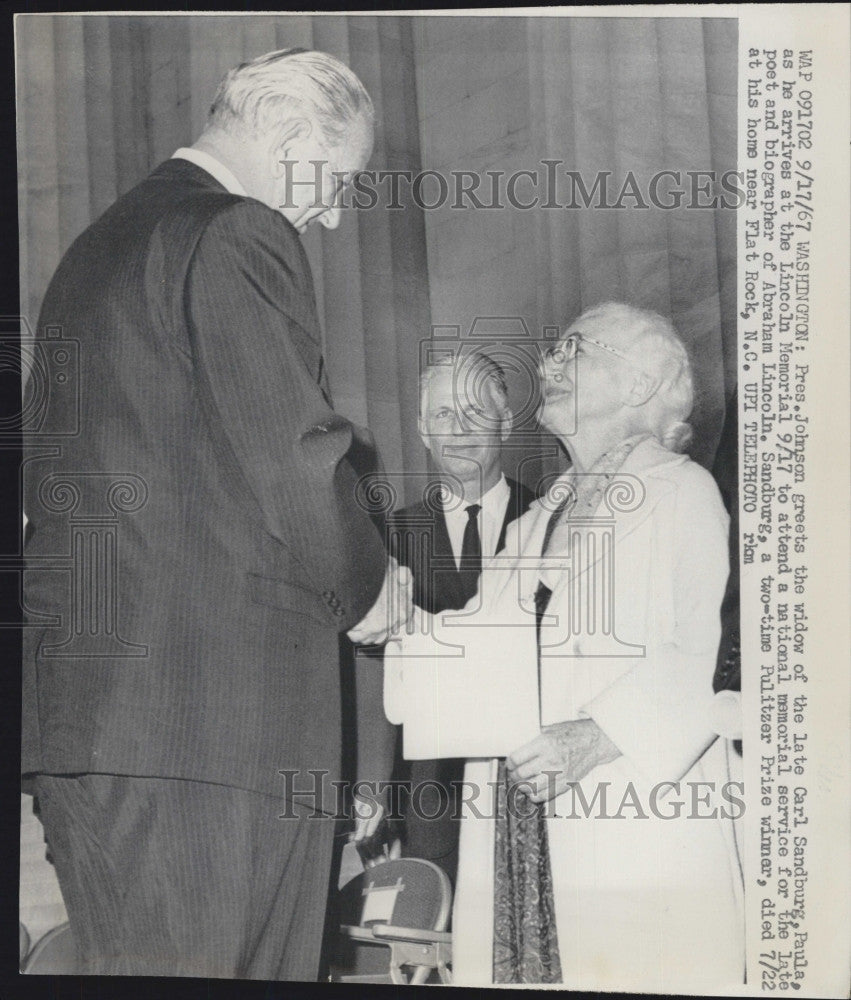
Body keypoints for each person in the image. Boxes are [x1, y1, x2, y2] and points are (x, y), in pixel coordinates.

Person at [22, 48, 405, 980]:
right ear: (282, 134)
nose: (333, 213)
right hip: (215, 730)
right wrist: (373, 586)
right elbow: (294, 455)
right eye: (338, 178)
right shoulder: (232, 231)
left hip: (103, 732)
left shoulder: (98, 247)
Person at [389, 302, 745, 991]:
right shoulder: (535, 518)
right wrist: (390, 618)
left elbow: (704, 646)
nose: (548, 365)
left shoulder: (682, 491)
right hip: (521, 816)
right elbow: (470, 650)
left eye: (573, 350)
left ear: (641, 385)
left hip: (635, 805)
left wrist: (598, 734)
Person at [386, 352, 535, 885]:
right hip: (430, 800)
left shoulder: (557, 523)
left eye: (475, 410)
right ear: (424, 431)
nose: (461, 429)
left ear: (507, 420)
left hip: (538, 787)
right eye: (444, 415)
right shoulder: (388, 539)